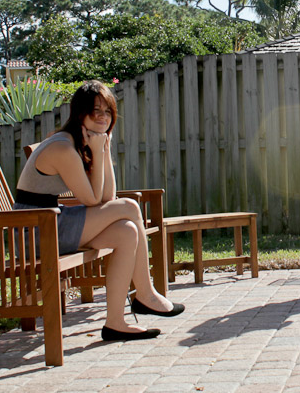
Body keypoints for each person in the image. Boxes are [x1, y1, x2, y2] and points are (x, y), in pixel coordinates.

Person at [14, 80, 184, 341]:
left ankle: (115, 323)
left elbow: (107, 196)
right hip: (36, 231)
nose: (103, 117)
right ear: (80, 114)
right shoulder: (63, 147)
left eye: (108, 112)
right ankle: (146, 293)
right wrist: (98, 150)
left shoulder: (83, 142)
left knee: (126, 232)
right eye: (96, 111)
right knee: (129, 206)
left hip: (52, 223)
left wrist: (103, 150)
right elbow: (94, 200)